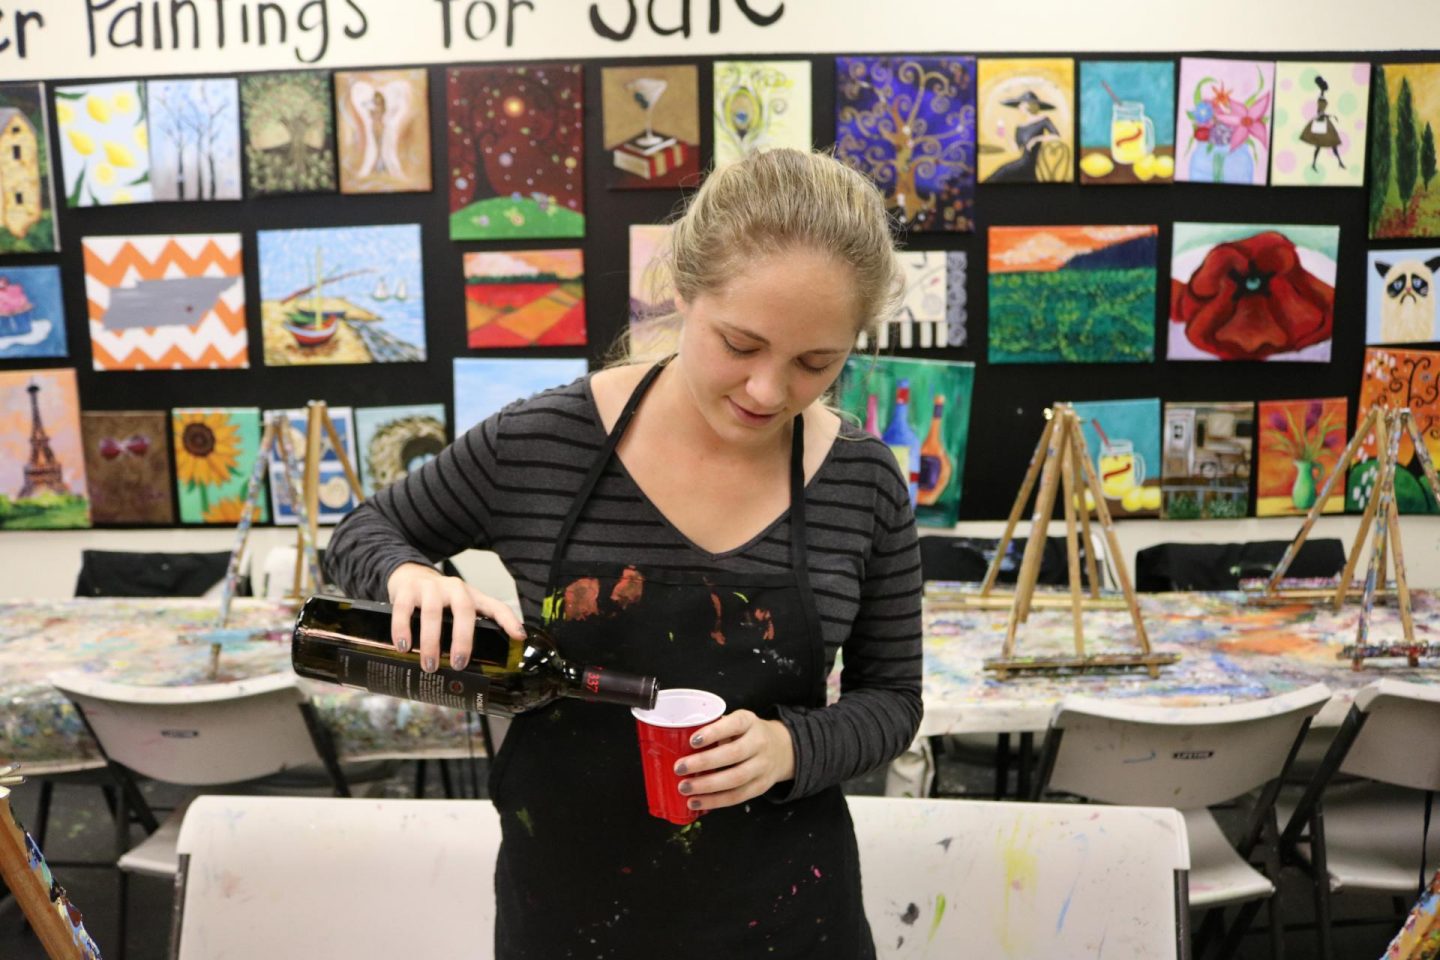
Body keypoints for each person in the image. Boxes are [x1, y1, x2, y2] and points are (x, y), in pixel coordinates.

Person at [325, 147, 924, 959]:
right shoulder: (543, 442)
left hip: (786, 915)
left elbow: (892, 698)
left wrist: (791, 747)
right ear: (681, 288)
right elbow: (361, 532)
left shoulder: (863, 481)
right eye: (739, 344)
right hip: (569, 910)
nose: (767, 392)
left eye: (816, 364)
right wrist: (411, 578)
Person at [988, 88, 1064, 182]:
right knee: (1001, 173)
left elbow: (1057, 136)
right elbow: (1016, 148)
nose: (1019, 107)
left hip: (1028, 164)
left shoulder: (1043, 120)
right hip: (1022, 162)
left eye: (1021, 104)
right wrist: (1005, 134)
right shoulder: (1020, 127)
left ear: (1029, 105)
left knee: (1003, 171)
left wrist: (1036, 139)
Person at [1299, 75, 1345, 171]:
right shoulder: (1320, 97)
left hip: (1323, 121)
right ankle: (1315, 164)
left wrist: (1329, 116)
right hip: (1321, 122)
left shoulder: (1322, 96)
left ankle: (1339, 162)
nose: (1325, 89)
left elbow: (1321, 112)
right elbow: (1319, 112)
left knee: (1331, 143)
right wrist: (1329, 116)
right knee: (1322, 144)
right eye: (1324, 87)